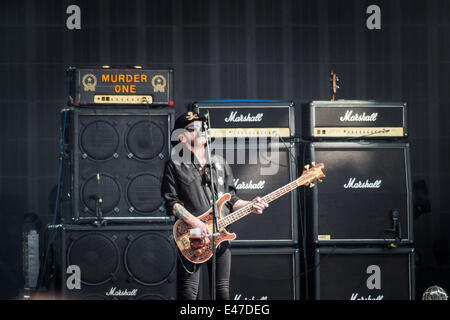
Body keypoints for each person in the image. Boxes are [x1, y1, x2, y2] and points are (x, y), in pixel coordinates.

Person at [162, 111, 268, 300]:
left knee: (222, 292)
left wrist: (251, 204)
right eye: (193, 128)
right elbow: (172, 202)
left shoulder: (219, 163)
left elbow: (231, 199)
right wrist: (195, 223)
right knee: (188, 293)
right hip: (192, 232)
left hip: (220, 233)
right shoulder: (175, 164)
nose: (201, 130)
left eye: (203, 126)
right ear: (181, 137)